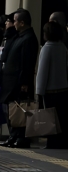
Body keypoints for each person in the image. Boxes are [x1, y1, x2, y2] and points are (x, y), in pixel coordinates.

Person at [0, 9, 39, 148]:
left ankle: (21, 137)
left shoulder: (29, 38)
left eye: (14, 21)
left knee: (20, 110)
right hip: (11, 80)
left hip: (19, 81)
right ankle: (13, 136)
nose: (12, 24)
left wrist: (25, 82)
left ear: (22, 22)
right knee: (12, 109)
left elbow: (27, 63)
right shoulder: (19, 36)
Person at [35, 21, 68, 149]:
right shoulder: (63, 48)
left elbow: (42, 72)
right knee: (61, 118)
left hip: (50, 90)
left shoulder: (46, 48)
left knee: (50, 118)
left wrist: (39, 91)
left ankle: (52, 142)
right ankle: (62, 141)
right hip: (63, 88)